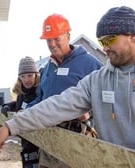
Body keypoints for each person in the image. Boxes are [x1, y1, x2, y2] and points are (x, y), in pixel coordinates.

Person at [0, 6, 135, 166]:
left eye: (110, 40)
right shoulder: (98, 79)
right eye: (101, 41)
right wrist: (11, 127)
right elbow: (56, 105)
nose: (104, 48)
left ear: (133, 35)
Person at [26, 13, 102, 168]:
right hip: (48, 142)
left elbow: (107, 100)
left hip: (78, 143)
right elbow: (40, 98)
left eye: (57, 38)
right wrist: (25, 111)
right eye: (48, 40)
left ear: (68, 36)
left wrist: (90, 116)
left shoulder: (91, 65)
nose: (52, 44)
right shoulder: (47, 69)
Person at [0, 56, 40, 168]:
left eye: (30, 75)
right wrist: (8, 106)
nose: (26, 80)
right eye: (23, 76)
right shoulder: (21, 94)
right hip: (26, 143)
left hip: (39, 145)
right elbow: (18, 104)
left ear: (36, 75)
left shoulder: (40, 92)